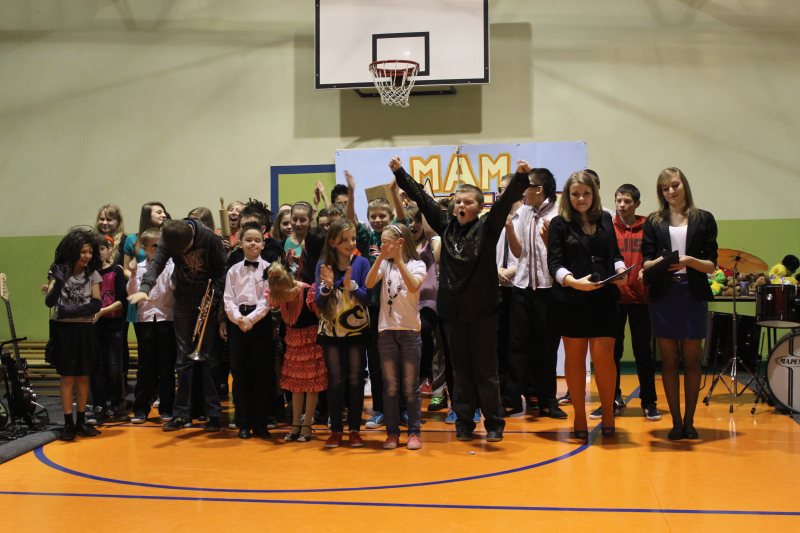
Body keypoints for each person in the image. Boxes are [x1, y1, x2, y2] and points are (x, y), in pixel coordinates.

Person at [391, 157, 531, 443]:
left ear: (479, 208)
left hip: (484, 312)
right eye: (457, 202)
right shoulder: (445, 226)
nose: (461, 206)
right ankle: (464, 423)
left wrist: (520, 177)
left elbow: (506, 201)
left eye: (468, 202)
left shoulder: (488, 226)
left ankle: (494, 423)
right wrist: (399, 173)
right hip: (453, 313)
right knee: (461, 371)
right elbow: (422, 198)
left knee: (486, 372)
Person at [547, 170, 628, 440]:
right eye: (575, 194)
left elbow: (614, 254)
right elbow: (554, 264)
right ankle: (579, 415)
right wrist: (573, 282)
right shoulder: (559, 223)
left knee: (605, 359)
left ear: (594, 194)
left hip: (604, 298)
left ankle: (608, 414)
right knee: (575, 359)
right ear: (567, 196)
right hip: (571, 300)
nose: (581, 198)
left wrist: (620, 269)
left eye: (586, 193)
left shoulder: (605, 218)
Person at [128, 218, 227, 432]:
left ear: (192, 237)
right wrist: (145, 289)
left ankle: (213, 414)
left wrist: (214, 301)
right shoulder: (168, 239)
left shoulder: (209, 238)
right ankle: (181, 414)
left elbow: (222, 272)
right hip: (183, 300)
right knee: (183, 360)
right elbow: (156, 265)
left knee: (207, 359)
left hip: (208, 298)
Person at [642, 167, 717, 441]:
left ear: (684, 185)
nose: (671, 191)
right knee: (669, 360)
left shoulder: (704, 218)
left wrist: (687, 260)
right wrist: (662, 263)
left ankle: (690, 421)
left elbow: (711, 265)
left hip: (692, 293)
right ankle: (675, 422)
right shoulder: (654, 221)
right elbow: (646, 262)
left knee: (692, 360)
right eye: (665, 188)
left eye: (675, 185)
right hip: (664, 295)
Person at [590, 184, 661, 422]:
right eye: (619, 200)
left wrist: (648, 272)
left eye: (627, 201)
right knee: (612, 353)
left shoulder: (648, 227)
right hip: (614, 299)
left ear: (637, 204)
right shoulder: (607, 227)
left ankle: (649, 402)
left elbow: (655, 258)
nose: (622, 205)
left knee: (643, 353)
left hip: (642, 299)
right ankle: (611, 400)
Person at [506, 168, 568, 420]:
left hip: (548, 289)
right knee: (517, 345)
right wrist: (510, 229)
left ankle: (547, 401)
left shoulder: (559, 215)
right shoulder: (523, 212)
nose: (523, 191)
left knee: (546, 347)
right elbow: (518, 252)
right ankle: (512, 400)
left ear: (539, 189)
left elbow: (563, 255)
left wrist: (550, 240)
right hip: (522, 287)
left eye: (527, 186)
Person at [365, 223, 427, 450]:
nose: (382, 245)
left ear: (400, 243)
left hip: (410, 331)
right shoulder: (384, 264)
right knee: (390, 386)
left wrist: (399, 260)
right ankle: (392, 433)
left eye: (386, 242)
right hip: (386, 331)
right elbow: (369, 283)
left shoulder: (417, 264)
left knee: (410, 386)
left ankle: (414, 432)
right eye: (381, 242)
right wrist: (381, 258)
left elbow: (413, 286)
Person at [315, 219, 371, 448]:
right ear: (333, 242)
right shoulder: (323, 264)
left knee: (356, 379)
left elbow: (367, 298)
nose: (351, 243)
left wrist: (352, 287)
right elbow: (319, 302)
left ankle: (355, 429)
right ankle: (336, 430)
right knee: (335, 380)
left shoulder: (362, 262)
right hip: (331, 330)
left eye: (353, 239)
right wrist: (327, 286)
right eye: (344, 240)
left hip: (356, 330)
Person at [45, 227, 103, 441]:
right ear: (72, 251)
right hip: (64, 331)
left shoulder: (92, 274)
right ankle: (68, 423)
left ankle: (81, 421)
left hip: (85, 329)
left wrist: (70, 311)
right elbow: (49, 302)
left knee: (83, 376)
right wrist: (59, 282)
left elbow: (96, 304)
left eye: (89, 252)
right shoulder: (58, 271)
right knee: (68, 377)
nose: (87, 256)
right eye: (82, 252)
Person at [223, 223, 275, 439]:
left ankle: (260, 423)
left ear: (263, 244)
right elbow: (228, 299)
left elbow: (268, 299)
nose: (253, 243)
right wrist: (239, 318)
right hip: (238, 323)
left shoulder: (270, 269)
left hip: (260, 322)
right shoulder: (233, 270)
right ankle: (243, 422)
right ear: (240, 243)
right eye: (248, 240)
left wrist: (251, 319)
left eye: (257, 240)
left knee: (261, 373)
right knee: (240, 374)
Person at [267, 261, 327, 443]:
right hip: (293, 341)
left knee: (311, 385)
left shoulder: (307, 291)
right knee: (295, 386)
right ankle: (295, 425)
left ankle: (307, 424)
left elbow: (320, 316)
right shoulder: (279, 292)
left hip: (310, 341)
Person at [128, 228, 176, 424]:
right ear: (145, 248)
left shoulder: (171, 265)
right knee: (146, 367)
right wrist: (132, 275)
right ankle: (141, 409)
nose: (159, 249)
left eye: (162, 245)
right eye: (155, 246)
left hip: (166, 318)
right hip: (146, 320)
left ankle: (167, 408)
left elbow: (173, 288)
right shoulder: (140, 268)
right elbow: (132, 293)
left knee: (167, 366)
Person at [89, 235, 129, 424]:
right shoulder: (89, 273)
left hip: (114, 326)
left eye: (102, 249)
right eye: (95, 250)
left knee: (114, 367)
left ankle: (118, 406)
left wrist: (102, 311)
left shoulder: (116, 271)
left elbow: (121, 301)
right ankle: (99, 408)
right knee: (96, 369)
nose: (98, 253)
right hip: (95, 327)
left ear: (109, 250)